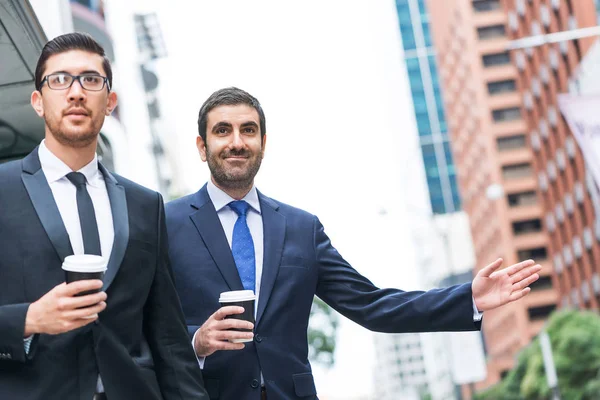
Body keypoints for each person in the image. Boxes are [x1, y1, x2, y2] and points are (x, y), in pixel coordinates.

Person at [166, 87, 541, 400]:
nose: (236, 142)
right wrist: (196, 340)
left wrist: (468, 299)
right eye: (222, 131)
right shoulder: (166, 224)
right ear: (202, 146)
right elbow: (141, 326)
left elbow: (371, 305)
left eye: (248, 130)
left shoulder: (300, 228)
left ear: (263, 143)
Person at [0, 33, 208, 400]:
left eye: (91, 80)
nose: (76, 92)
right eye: (59, 79)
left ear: (110, 101)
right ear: (38, 100)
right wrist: (28, 320)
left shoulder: (146, 205)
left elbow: (169, 339)